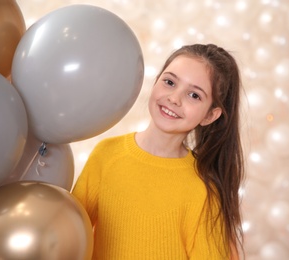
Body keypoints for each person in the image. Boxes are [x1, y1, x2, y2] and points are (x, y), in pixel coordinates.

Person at [72, 43, 244, 259]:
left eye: (194, 95)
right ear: (156, 82)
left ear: (210, 115)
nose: (174, 98)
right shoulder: (106, 155)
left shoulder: (202, 188)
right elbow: (69, 235)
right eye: (170, 82)